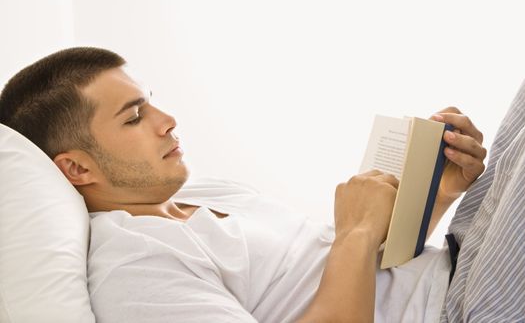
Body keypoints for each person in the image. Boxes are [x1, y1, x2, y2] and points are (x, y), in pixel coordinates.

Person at [0, 47, 515, 322]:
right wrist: (355, 232)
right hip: (460, 311)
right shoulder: (132, 267)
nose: (168, 119)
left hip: (458, 261)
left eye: (152, 101)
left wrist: (441, 191)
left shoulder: (205, 194)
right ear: (77, 170)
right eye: (135, 117)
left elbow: (369, 277)